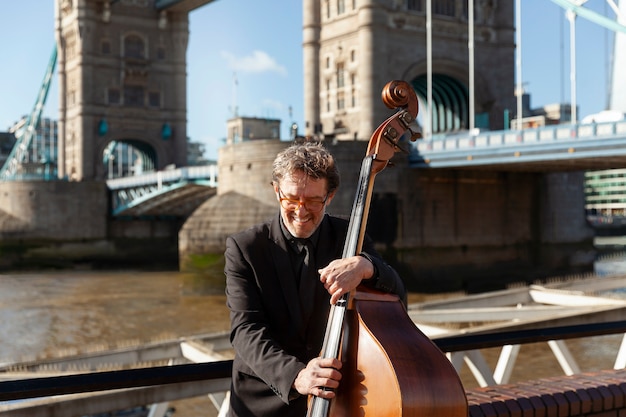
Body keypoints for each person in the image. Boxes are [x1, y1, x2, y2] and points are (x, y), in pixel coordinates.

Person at [224, 141, 407, 417]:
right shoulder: (245, 247)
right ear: (276, 191)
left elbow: (399, 296)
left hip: (335, 400)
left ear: (330, 196)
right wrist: (297, 375)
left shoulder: (350, 237)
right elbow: (246, 330)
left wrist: (366, 266)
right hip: (261, 403)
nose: (301, 211)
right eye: (291, 199)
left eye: (313, 201)